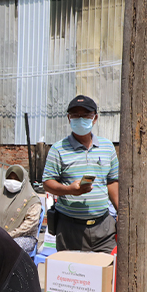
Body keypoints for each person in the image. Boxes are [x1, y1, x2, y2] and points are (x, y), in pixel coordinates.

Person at [42, 95, 119, 253]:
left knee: (107, 272)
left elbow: (112, 181)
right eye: (75, 115)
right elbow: (47, 183)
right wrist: (70, 190)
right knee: (72, 274)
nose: (80, 119)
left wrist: (121, 212)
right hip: (69, 228)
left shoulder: (108, 147)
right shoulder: (58, 149)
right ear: (69, 118)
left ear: (95, 118)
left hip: (103, 228)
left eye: (85, 115)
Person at [0, 164, 42, 253]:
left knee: (8, 247)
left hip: (23, 237)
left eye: (16, 179)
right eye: (10, 178)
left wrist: (10, 234)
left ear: (23, 180)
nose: (12, 181)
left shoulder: (32, 200)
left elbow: (30, 223)